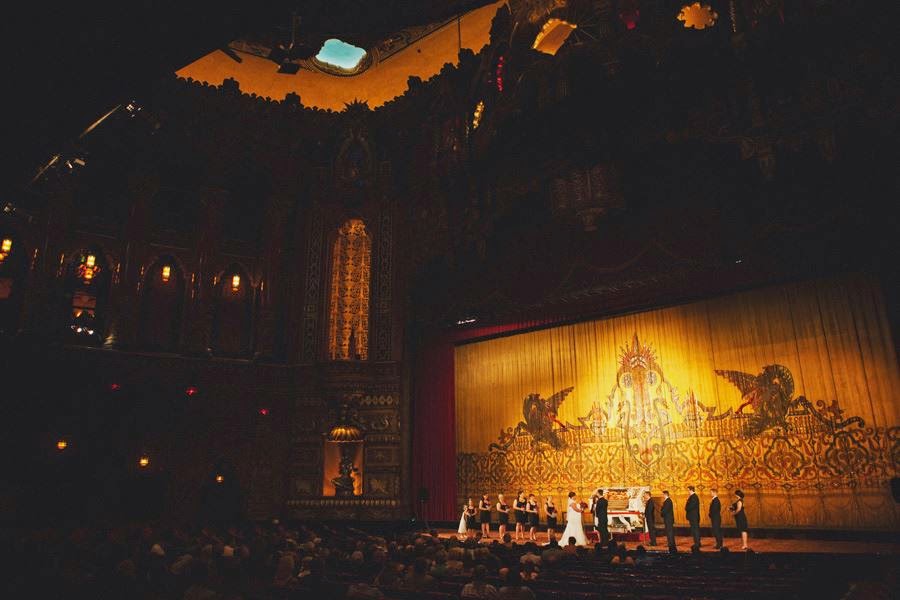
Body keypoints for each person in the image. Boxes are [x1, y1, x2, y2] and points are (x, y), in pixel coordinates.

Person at [685, 485, 700, 550]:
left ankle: (697, 543)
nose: (688, 491)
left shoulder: (694, 497)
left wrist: (686, 507)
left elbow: (691, 506)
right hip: (692, 517)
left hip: (694, 517)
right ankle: (696, 542)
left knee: (695, 530)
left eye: (688, 490)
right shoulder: (692, 497)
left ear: (691, 490)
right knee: (694, 530)